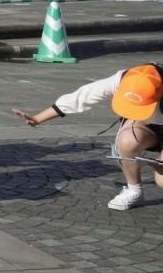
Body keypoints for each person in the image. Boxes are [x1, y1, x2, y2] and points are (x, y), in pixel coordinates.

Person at [12, 62, 163, 211]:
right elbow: (82, 96)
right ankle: (134, 190)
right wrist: (38, 118)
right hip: (147, 126)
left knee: (162, 180)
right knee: (126, 141)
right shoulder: (126, 78)